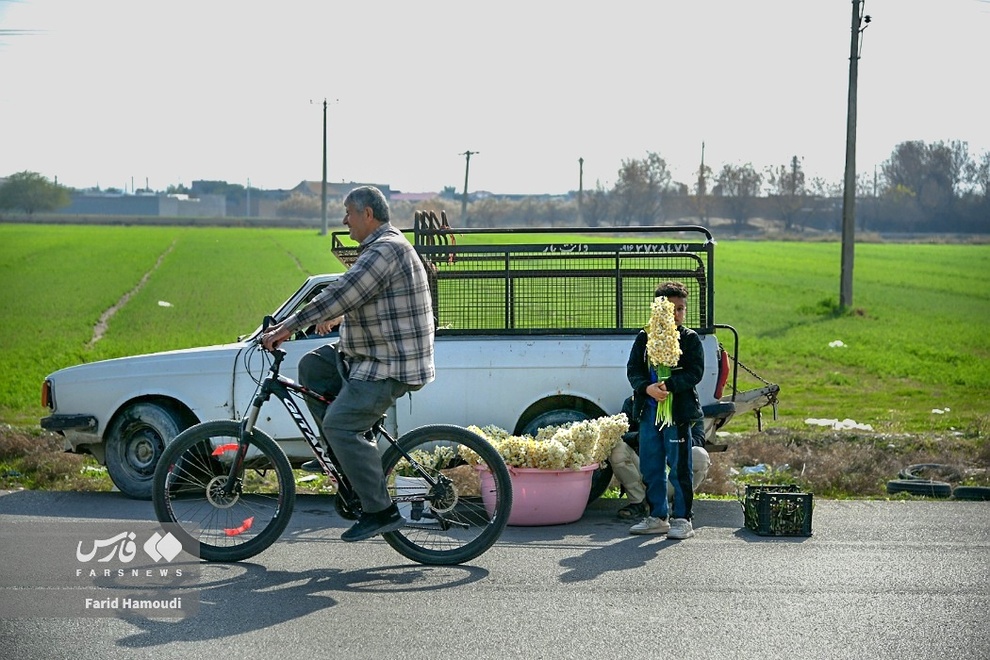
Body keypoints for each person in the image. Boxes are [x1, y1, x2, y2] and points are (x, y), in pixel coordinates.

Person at [261, 186, 435, 543]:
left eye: (348, 213)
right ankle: (343, 460)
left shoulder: (385, 249)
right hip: (366, 353)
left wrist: (287, 327)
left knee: (341, 425)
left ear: (367, 215)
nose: (344, 220)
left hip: (390, 364)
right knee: (314, 366)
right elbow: (358, 297)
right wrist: (332, 317)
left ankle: (381, 511)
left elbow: (344, 291)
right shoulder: (380, 247)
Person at [626, 281, 704, 539]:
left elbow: (695, 373)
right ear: (658, 311)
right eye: (671, 310)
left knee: (680, 466)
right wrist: (648, 389)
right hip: (649, 413)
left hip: (677, 415)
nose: (677, 314)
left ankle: (683, 518)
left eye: (681, 309)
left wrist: (669, 385)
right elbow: (633, 371)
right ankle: (657, 516)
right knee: (650, 466)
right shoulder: (644, 337)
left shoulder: (690, 339)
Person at [611, 405, 711, 520]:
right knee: (617, 448)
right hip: (644, 472)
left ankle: (680, 504)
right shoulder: (636, 401)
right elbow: (621, 433)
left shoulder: (688, 402)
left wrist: (673, 440)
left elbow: (699, 439)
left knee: (700, 455)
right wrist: (643, 438)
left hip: (673, 474)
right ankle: (638, 503)